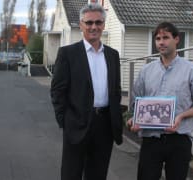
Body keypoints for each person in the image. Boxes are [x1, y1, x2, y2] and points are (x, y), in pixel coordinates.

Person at [127, 22, 193, 180]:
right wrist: (133, 119)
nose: (161, 42)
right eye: (158, 38)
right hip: (151, 140)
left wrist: (180, 117)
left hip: (179, 139)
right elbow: (135, 104)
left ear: (177, 39)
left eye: (166, 37)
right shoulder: (146, 71)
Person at [50, 3, 123, 180]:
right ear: (81, 24)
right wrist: (65, 121)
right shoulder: (68, 53)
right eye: (89, 23)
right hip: (77, 123)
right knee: (71, 173)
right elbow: (58, 91)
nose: (94, 27)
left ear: (103, 25)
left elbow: (116, 90)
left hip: (104, 125)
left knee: (98, 174)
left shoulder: (113, 55)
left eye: (98, 22)